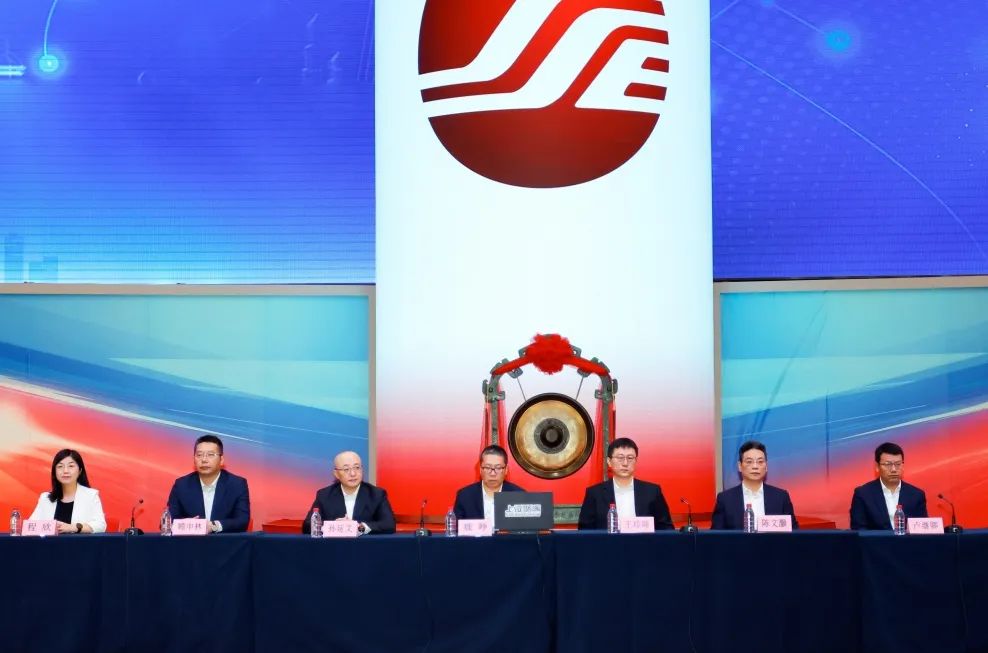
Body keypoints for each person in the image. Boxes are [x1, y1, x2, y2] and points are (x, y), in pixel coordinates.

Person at [577, 437, 674, 530]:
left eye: (630, 458)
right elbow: (585, 530)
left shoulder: (652, 492)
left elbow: (666, 528)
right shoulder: (595, 493)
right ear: (609, 461)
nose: (625, 463)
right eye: (620, 458)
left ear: (636, 461)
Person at [167, 434, 251, 533]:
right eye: (199, 455)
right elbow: (167, 522)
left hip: (225, 541)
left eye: (210, 455)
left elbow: (242, 521)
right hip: (191, 541)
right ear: (194, 459)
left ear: (221, 460)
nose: (204, 460)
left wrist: (213, 526)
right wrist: (188, 525)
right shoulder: (181, 485)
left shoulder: (237, 484)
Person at [302, 451, 395, 535]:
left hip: (365, 546)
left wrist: (359, 527)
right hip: (334, 546)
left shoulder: (376, 494)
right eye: (346, 469)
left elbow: (389, 525)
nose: (353, 473)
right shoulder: (324, 495)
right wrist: (335, 526)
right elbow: (307, 525)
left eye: (357, 467)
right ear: (336, 474)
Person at [711, 440, 798, 530]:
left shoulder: (781, 497)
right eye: (749, 462)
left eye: (760, 462)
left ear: (766, 466)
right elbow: (716, 535)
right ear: (740, 466)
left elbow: (794, 533)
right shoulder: (725, 499)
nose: (755, 466)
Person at [850, 441, 927, 530]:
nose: (893, 469)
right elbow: (859, 530)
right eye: (888, 464)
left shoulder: (916, 495)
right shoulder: (863, 494)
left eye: (898, 464)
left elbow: (923, 530)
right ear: (877, 466)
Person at [29, 449, 107, 533]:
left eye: (71, 466)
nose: (65, 471)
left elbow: (101, 525)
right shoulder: (45, 498)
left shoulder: (91, 495)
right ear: (54, 472)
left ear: (80, 471)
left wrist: (73, 527)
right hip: (51, 542)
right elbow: (30, 526)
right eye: (60, 466)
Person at [453, 445, 525, 521]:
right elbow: (457, 526)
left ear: (506, 469)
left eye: (498, 468)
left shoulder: (519, 496)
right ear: (480, 469)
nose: (493, 473)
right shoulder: (465, 496)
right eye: (487, 467)